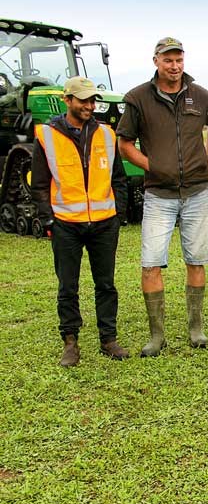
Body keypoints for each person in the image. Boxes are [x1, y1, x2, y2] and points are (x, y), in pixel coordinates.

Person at [117, 37, 208, 356]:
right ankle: (157, 336)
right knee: (150, 263)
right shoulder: (137, 98)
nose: (174, 66)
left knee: (197, 259)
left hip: (197, 192)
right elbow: (124, 145)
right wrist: (155, 166)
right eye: (168, 60)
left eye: (178, 60)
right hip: (158, 195)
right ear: (156, 62)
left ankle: (196, 329)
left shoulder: (201, 95)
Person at [31, 76, 129, 367]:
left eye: (92, 100)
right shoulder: (47, 135)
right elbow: (39, 184)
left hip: (103, 223)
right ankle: (70, 342)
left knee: (106, 284)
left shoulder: (107, 134)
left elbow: (119, 179)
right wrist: (48, 219)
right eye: (83, 100)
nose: (89, 105)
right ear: (68, 100)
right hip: (65, 224)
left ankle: (108, 339)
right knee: (68, 286)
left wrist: (118, 215)